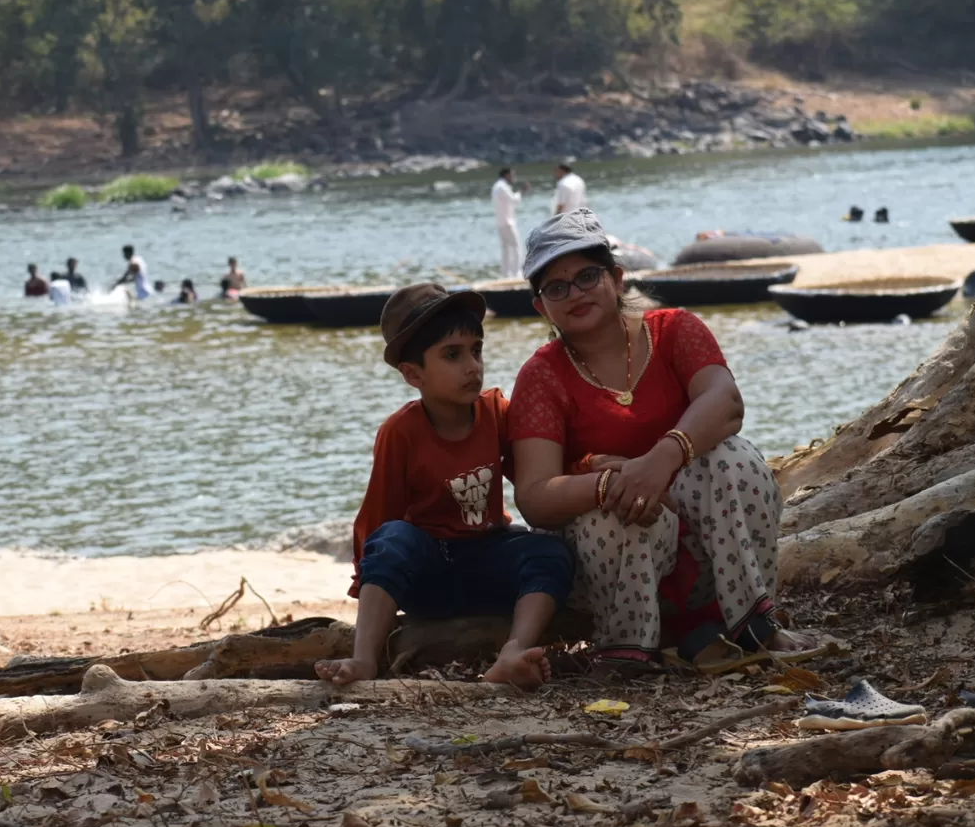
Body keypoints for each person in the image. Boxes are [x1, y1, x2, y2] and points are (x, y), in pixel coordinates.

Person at [506, 208, 819, 677]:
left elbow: (726, 402)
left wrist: (659, 461)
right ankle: (629, 651)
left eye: (587, 276)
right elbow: (533, 496)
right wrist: (613, 483)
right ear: (541, 306)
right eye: (556, 287)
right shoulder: (541, 375)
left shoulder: (674, 331)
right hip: (612, 561)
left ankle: (754, 628)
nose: (575, 293)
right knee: (615, 509)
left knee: (735, 460)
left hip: (707, 552)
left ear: (616, 278)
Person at [313, 283, 575, 688]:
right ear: (413, 373)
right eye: (452, 355)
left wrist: (591, 466)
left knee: (547, 551)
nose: (472, 365)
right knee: (393, 537)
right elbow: (378, 519)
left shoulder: (495, 412)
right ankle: (364, 658)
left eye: (476, 349)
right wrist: (368, 581)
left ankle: (514, 651)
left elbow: (535, 470)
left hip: (486, 560)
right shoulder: (401, 432)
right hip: (428, 573)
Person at [491, 167, 526, 279]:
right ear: (506, 175)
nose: (513, 177)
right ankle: (517, 274)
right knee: (516, 247)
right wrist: (522, 191)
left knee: (506, 249)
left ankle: (506, 274)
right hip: (507, 222)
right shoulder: (502, 187)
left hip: (501, 221)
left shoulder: (497, 186)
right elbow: (513, 200)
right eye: (512, 175)